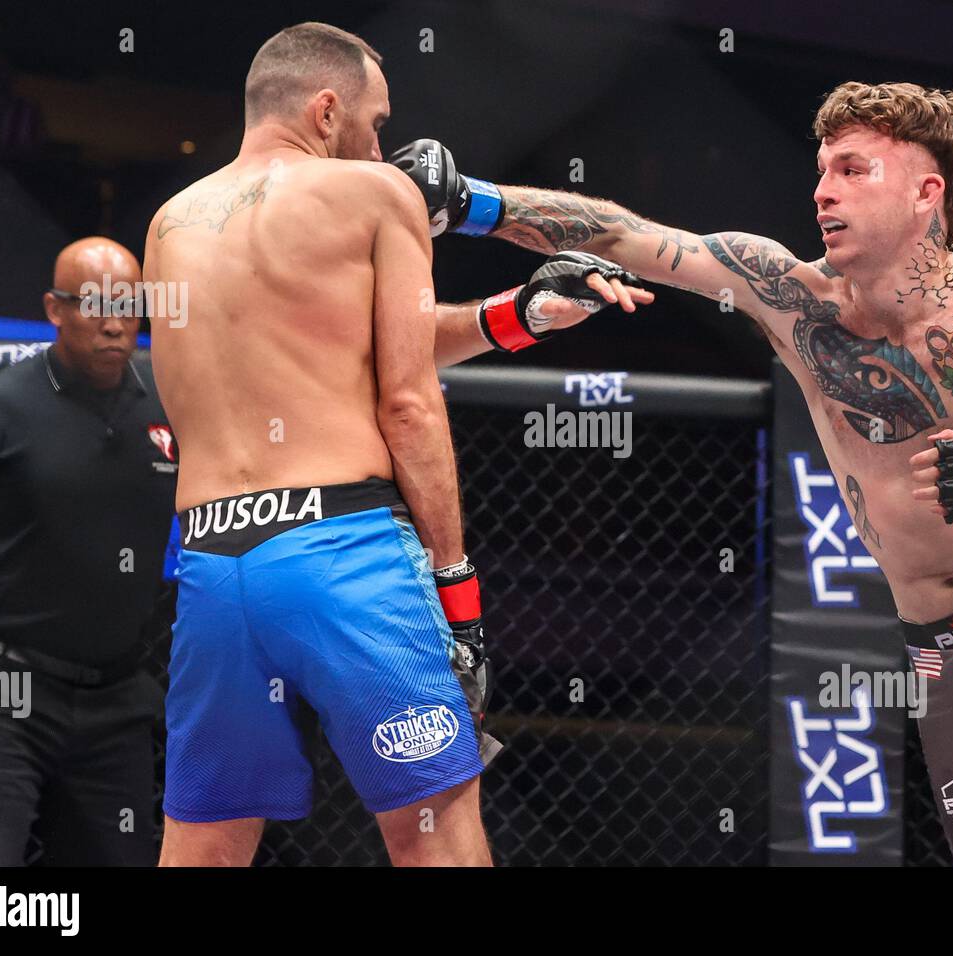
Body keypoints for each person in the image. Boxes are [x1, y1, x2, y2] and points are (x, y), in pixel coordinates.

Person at [390, 80, 953, 867]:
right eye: (822, 171)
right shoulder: (794, 299)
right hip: (937, 649)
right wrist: (473, 201)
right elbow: (628, 237)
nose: (823, 192)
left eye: (853, 170)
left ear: (927, 193)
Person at [142, 21, 651, 867]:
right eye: (377, 123)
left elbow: (335, 345)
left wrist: (517, 315)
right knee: (436, 833)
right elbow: (408, 399)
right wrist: (459, 590)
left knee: (205, 843)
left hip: (212, 562)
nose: (384, 145)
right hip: (341, 551)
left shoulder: (172, 223)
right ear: (328, 107)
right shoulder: (377, 197)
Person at [0, 237, 173, 865]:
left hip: (116, 695)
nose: (115, 321)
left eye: (128, 303)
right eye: (93, 303)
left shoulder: (173, 409)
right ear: (54, 309)